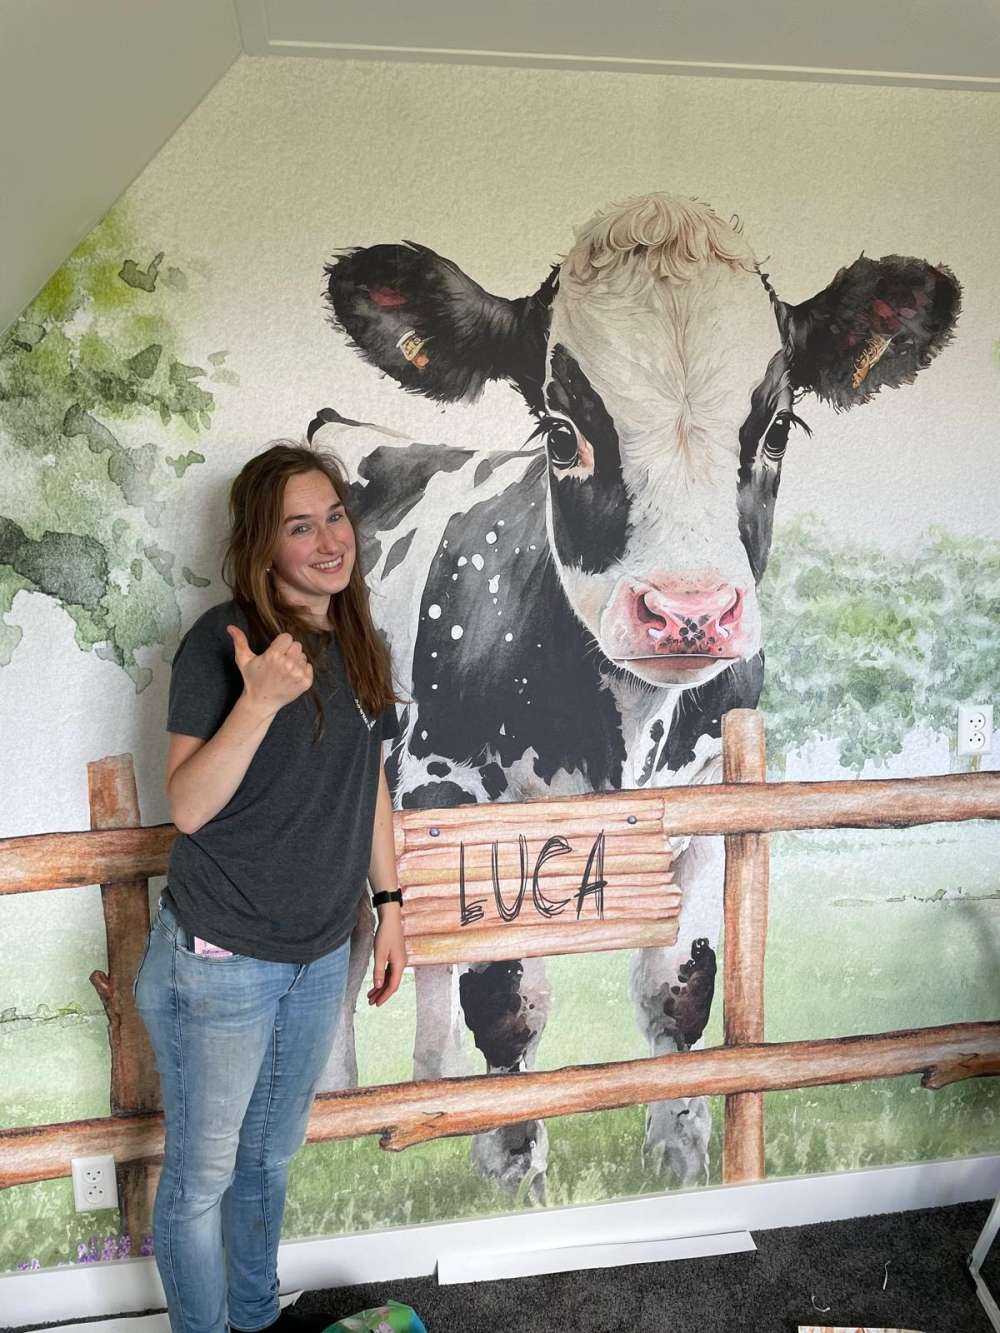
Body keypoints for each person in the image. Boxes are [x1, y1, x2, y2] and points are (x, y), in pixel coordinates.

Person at [134, 441, 406, 1333]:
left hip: (319, 955)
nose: (329, 539)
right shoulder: (225, 643)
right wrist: (258, 702)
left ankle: (255, 1321)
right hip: (220, 960)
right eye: (300, 524)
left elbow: (367, 782)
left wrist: (390, 907)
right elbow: (188, 806)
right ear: (263, 543)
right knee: (204, 1177)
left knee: (269, 1162)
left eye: (335, 516)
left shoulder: (361, 638)